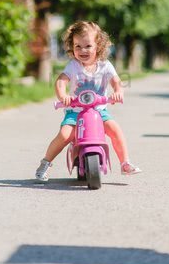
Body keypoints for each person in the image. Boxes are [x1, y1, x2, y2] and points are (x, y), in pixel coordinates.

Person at [35, 20, 141, 182]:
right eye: (78, 46)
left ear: (98, 46)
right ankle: (46, 163)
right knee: (65, 135)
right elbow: (61, 81)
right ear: (72, 47)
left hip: (99, 111)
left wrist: (118, 91)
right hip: (75, 112)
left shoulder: (105, 66)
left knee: (115, 130)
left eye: (88, 46)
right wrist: (63, 96)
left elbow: (116, 81)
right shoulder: (73, 66)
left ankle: (125, 163)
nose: (82, 50)